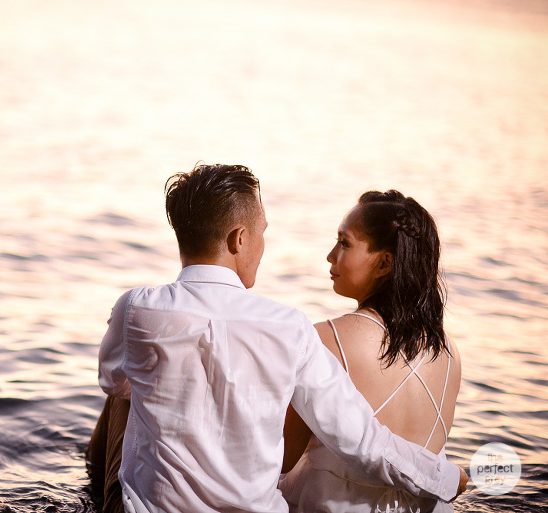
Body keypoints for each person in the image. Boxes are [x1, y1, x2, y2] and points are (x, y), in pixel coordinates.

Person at [87, 164, 467, 513]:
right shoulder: (291, 329)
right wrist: (448, 477)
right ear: (239, 239)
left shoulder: (135, 308)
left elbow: (111, 380)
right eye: (262, 234)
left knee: (127, 388)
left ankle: (87, 488)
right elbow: (364, 443)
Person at [279, 190, 462, 512]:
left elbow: (282, 456)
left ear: (384, 263)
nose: (331, 255)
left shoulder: (324, 339)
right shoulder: (447, 351)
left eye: (344, 243)